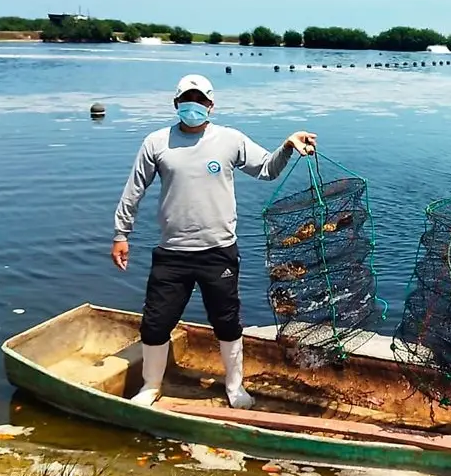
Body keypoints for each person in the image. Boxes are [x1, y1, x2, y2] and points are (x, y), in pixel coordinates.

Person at [111, 73, 316, 409]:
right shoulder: (156, 142)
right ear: (176, 104)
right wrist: (121, 234)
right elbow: (134, 190)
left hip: (218, 252)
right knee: (155, 322)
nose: (194, 106)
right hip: (172, 253)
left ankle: (235, 388)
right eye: (187, 100)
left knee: (227, 322)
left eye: (201, 100)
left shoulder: (229, 139)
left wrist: (288, 146)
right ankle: (151, 386)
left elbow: (267, 169)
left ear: (211, 105)